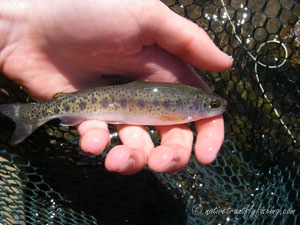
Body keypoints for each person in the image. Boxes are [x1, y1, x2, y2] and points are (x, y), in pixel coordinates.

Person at [0, 0, 232, 175]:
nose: (217, 107)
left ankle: (29, 114)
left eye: (214, 105)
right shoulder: (180, 111)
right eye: (212, 105)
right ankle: (29, 115)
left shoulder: (184, 103)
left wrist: (23, 21)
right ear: (194, 105)